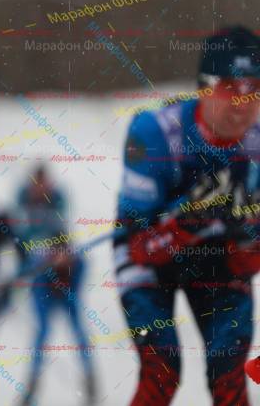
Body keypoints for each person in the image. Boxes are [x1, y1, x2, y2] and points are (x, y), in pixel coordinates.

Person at [114, 25, 260, 405]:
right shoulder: (155, 133)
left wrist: (244, 236)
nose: (243, 101)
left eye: (254, 88)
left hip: (218, 255)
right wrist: (190, 220)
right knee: (162, 371)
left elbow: (249, 256)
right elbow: (139, 249)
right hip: (151, 257)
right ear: (204, 87)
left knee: (229, 372)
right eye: (231, 86)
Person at [13, 166, 96, 405]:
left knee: (77, 328)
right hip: (40, 276)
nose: (40, 189)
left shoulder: (57, 199)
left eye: (44, 185)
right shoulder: (22, 201)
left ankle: (90, 380)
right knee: (42, 332)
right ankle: (31, 387)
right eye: (36, 185)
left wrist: (61, 257)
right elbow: (20, 240)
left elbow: (64, 237)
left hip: (65, 274)